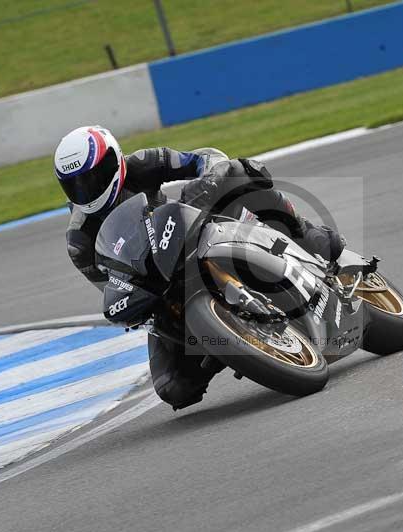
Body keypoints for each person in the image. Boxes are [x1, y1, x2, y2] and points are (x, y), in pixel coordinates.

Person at [54, 125, 344, 409]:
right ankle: (223, 340)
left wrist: (209, 177)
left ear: (114, 160)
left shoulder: (143, 163)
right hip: (159, 283)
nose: (86, 189)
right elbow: (113, 286)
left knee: (240, 173)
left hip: (188, 229)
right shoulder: (79, 242)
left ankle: (303, 233)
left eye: (93, 177)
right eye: (75, 184)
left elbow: (205, 158)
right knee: (174, 388)